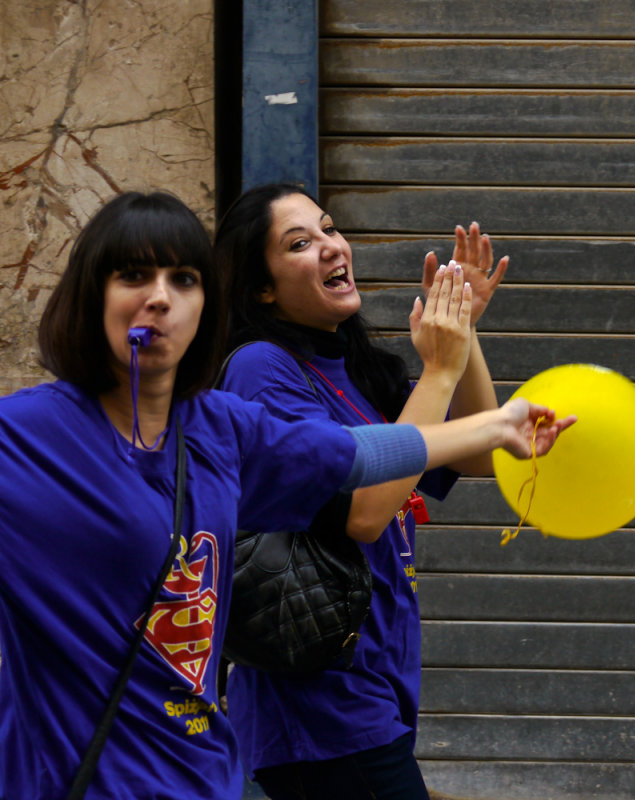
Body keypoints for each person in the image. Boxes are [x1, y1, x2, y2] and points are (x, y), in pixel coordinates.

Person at [0, 190, 572, 800]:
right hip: (119, 766)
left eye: (185, 278)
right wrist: (447, 380)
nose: (161, 296)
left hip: (204, 769)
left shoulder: (222, 425)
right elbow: (366, 507)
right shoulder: (26, 438)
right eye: (134, 275)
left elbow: (359, 458)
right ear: (91, 296)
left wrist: (489, 407)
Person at [213, 183, 570, 800]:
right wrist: (438, 369)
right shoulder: (259, 368)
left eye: (329, 228)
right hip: (320, 702)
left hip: (374, 680)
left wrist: (461, 331)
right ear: (261, 289)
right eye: (300, 243)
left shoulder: (353, 369)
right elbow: (364, 513)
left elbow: (482, 453)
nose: (330, 247)